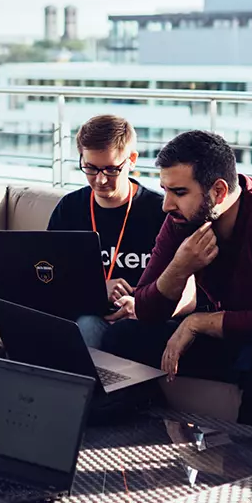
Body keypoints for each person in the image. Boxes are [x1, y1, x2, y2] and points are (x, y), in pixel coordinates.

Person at [102, 130, 252, 429]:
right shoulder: (181, 220)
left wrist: (198, 323)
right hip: (231, 336)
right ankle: (148, 432)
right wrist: (180, 268)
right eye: (165, 190)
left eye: (179, 192)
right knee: (123, 336)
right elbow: (145, 309)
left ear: (219, 192)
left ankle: (251, 465)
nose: (166, 205)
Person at [46, 115, 166, 348]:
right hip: (84, 316)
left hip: (139, 321)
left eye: (111, 170)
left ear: (131, 160)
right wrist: (99, 291)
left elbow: (180, 284)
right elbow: (51, 280)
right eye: (90, 168)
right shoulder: (69, 209)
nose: (100, 180)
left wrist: (141, 304)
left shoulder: (159, 211)